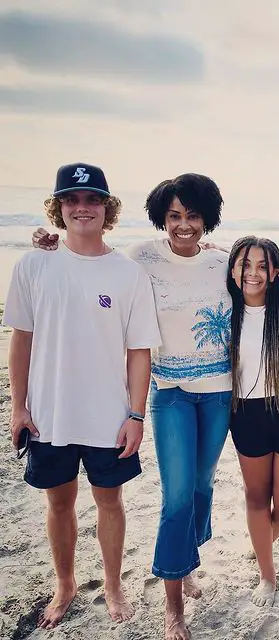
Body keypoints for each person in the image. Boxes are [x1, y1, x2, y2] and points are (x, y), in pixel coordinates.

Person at [32, 173, 232, 640]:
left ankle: (185, 563)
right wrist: (48, 241)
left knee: (202, 490)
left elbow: (265, 280)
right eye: (175, 216)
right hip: (170, 394)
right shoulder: (139, 258)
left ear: (208, 219)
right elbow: (89, 261)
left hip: (220, 393)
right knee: (178, 495)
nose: (184, 225)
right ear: (162, 217)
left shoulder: (223, 262)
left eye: (194, 216)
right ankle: (173, 606)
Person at [4, 163, 161, 629]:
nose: (82, 207)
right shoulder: (34, 264)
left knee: (109, 501)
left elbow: (139, 352)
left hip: (108, 416)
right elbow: (21, 339)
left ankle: (113, 586)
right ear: (58, 208)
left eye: (92, 199)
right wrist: (18, 406)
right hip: (49, 416)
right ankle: (66, 584)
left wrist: (135, 413)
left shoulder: (128, 273)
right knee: (58, 503)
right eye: (71, 199)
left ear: (107, 209)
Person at [227, 235, 279, 607]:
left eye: (263, 266)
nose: (254, 273)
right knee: (258, 498)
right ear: (233, 268)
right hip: (247, 412)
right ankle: (267, 572)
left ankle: (261, 541)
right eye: (245, 265)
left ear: (276, 271)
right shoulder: (224, 308)